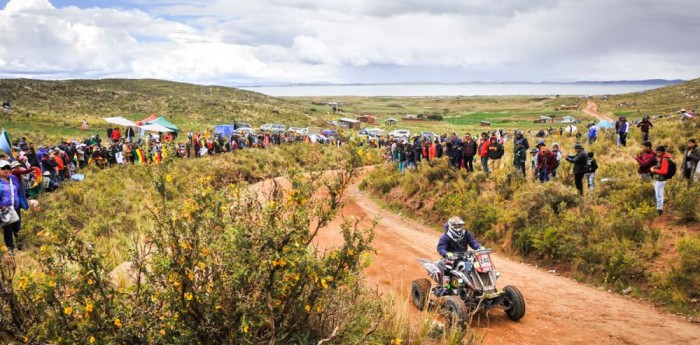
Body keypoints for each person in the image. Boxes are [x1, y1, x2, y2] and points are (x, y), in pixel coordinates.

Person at [435, 216, 481, 296]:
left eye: (460, 226)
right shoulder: (446, 236)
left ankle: (478, 286)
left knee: (476, 265)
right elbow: (440, 248)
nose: (459, 228)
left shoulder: (466, 233)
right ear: (451, 226)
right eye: (456, 226)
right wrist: (446, 253)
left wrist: (479, 248)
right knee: (448, 268)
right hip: (451, 258)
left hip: (464, 256)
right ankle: (446, 288)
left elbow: (473, 242)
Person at [1, 160, 29, 252]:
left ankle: (21, 247)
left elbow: (20, 190)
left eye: (8, 168)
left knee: (18, 228)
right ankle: (11, 249)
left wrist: (23, 201)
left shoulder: (13, 178)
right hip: (4, 210)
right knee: (8, 230)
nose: (6, 170)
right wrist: (1, 205)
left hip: (15, 208)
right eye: (3, 168)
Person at [650, 146, 671, 215]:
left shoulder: (665, 159)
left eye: (659, 152)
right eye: (657, 152)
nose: (657, 154)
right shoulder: (661, 158)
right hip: (658, 179)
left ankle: (659, 210)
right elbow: (660, 166)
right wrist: (655, 167)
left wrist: (654, 170)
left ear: (663, 152)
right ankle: (658, 208)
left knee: (659, 195)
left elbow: (664, 171)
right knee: (658, 194)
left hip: (660, 180)